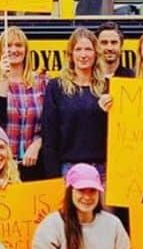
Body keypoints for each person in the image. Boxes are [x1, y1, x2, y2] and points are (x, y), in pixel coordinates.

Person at [40, 28, 112, 179]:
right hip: (69, 168)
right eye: (78, 49)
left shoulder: (108, 87)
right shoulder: (56, 87)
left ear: (96, 54)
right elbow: (50, 135)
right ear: (71, 54)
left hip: (104, 168)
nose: (83, 55)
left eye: (88, 49)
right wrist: (53, 176)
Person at [0, 26, 47, 178]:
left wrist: (37, 145)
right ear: (1, 51)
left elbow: (51, 123)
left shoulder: (42, 83)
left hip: (35, 161)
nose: (14, 49)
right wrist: (4, 78)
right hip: (1, 164)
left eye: (19, 45)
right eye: (8, 45)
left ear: (26, 50)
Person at [32, 163, 132, 249]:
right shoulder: (51, 225)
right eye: (81, 190)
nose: (87, 197)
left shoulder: (113, 224)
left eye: (92, 190)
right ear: (70, 191)